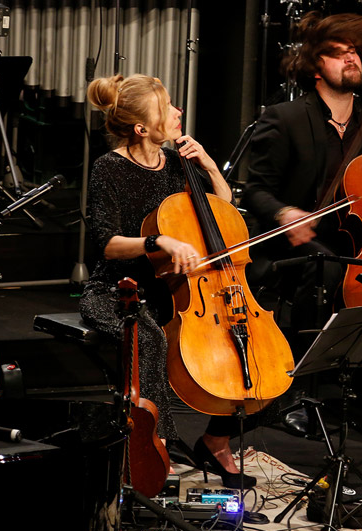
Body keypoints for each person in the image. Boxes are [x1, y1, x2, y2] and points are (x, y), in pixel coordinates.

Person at [79, 73, 255, 488]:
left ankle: (218, 439)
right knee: (152, 338)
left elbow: (221, 212)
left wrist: (208, 166)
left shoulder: (178, 165)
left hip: (173, 290)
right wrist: (158, 240)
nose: (178, 112)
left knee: (241, 335)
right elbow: (106, 244)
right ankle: (158, 442)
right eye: (168, 107)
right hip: (117, 291)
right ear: (141, 127)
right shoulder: (109, 169)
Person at [243, 11, 362, 344]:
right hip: (296, 241)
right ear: (315, 67)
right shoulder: (284, 119)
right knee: (328, 266)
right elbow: (255, 190)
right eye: (338, 53)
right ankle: (306, 369)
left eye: (355, 52)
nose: (351, 58)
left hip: (359, 240)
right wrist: (285, 213)